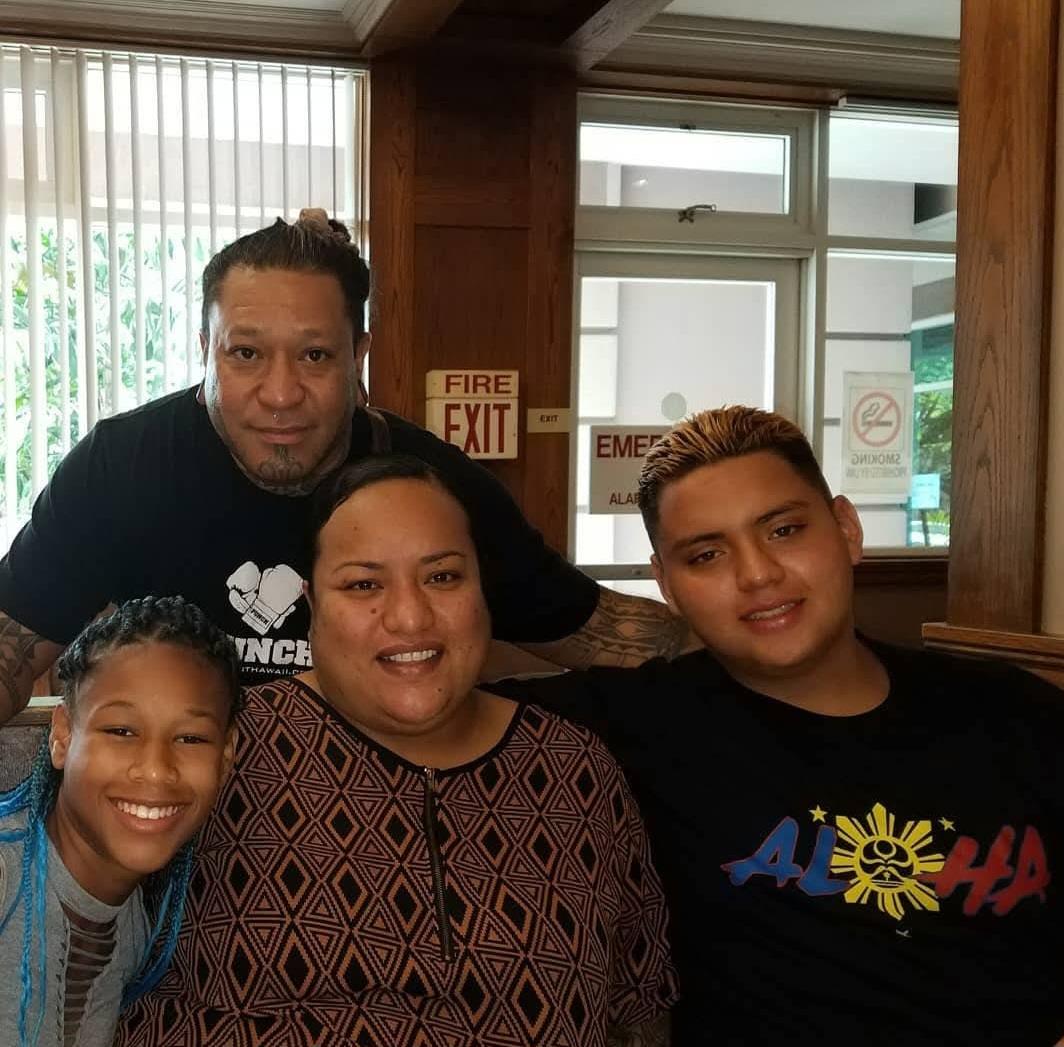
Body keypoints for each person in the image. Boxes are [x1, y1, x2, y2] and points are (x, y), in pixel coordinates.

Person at [495, 406, 1064, 1046]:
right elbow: (410, 703)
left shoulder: (1016, 714)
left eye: (784, 530)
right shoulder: (625, 727)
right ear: (667, 585)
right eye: (707, 554)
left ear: (846, 529)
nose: (757, 574)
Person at [0, 210, 690, 715]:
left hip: (370, 825)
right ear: (203, 346)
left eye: (315, 355)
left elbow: (596, 628)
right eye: (245, 353)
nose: (280, 394)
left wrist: (764, 633)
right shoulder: (121, 468)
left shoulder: (431, 486)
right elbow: (15, 644)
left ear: (358, 357)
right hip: (179, 834)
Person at [116, 454, 678, 1047]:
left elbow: (637, 1007)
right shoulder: (223, 748)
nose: (410, 617)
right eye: (363, 584)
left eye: (442, 577)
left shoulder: (574, 771)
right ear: (311, 605)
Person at [0, 595, 240, 1047]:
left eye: (190, 738)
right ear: (62, 735)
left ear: (226, 755)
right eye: (121, 731)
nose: (155, 769)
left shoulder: (139, 931)